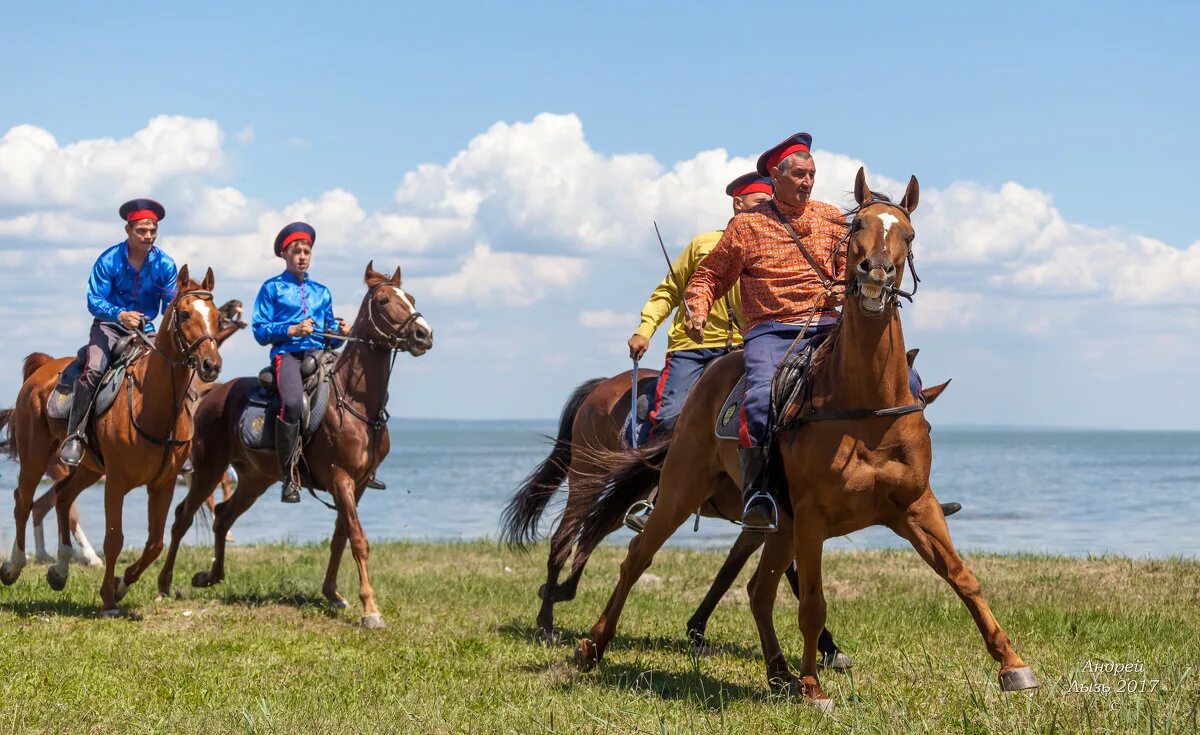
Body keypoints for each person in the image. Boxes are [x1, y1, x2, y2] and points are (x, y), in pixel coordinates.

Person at [684, 133, 848, 532]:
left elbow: (848, 268)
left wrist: (842, 287)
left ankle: (909, 481)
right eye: (799, 175)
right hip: (772, 332)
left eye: (812, 174)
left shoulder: (832, 218)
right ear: (776, 176)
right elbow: (709, 276)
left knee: (903, 377)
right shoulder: (746, 227)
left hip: (829, 324)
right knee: (760, 396)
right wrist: (697, 307)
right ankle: (758, 492)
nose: (807, 182)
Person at [621, 172, 772, 531]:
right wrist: (645, 329)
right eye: (759, 203)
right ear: (738, 203)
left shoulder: (769, 248)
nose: (766, 210)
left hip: (743, 350)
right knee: (672, 416)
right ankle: (653, 493)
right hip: (693, 348)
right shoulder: (704, 243)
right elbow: (668, 292)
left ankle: (763, 493)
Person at [59, 199, 178, 466]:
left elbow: (170, 305)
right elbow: (94, 301)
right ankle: (75, 437)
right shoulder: (108, 260)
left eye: (153, 230)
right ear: (128, 230)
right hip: (108, 327)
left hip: (146, 332)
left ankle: (177, 441)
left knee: (170, 374)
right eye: (142, 230)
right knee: (94, 371)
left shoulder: (166, 265)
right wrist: (121, 315)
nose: (148, 236)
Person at [252, 222, 348, 503]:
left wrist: (339, 333)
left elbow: (330, 335)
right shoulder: (271, 289)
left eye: (307, 251)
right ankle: (289, 476)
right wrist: (292, 330)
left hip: (321, 355)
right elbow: (259, 330)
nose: (302, 256)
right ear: (285, 254)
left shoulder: (322, 291)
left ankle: (362, 463)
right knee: (293, 403)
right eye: (296, 251)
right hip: (289, 356)